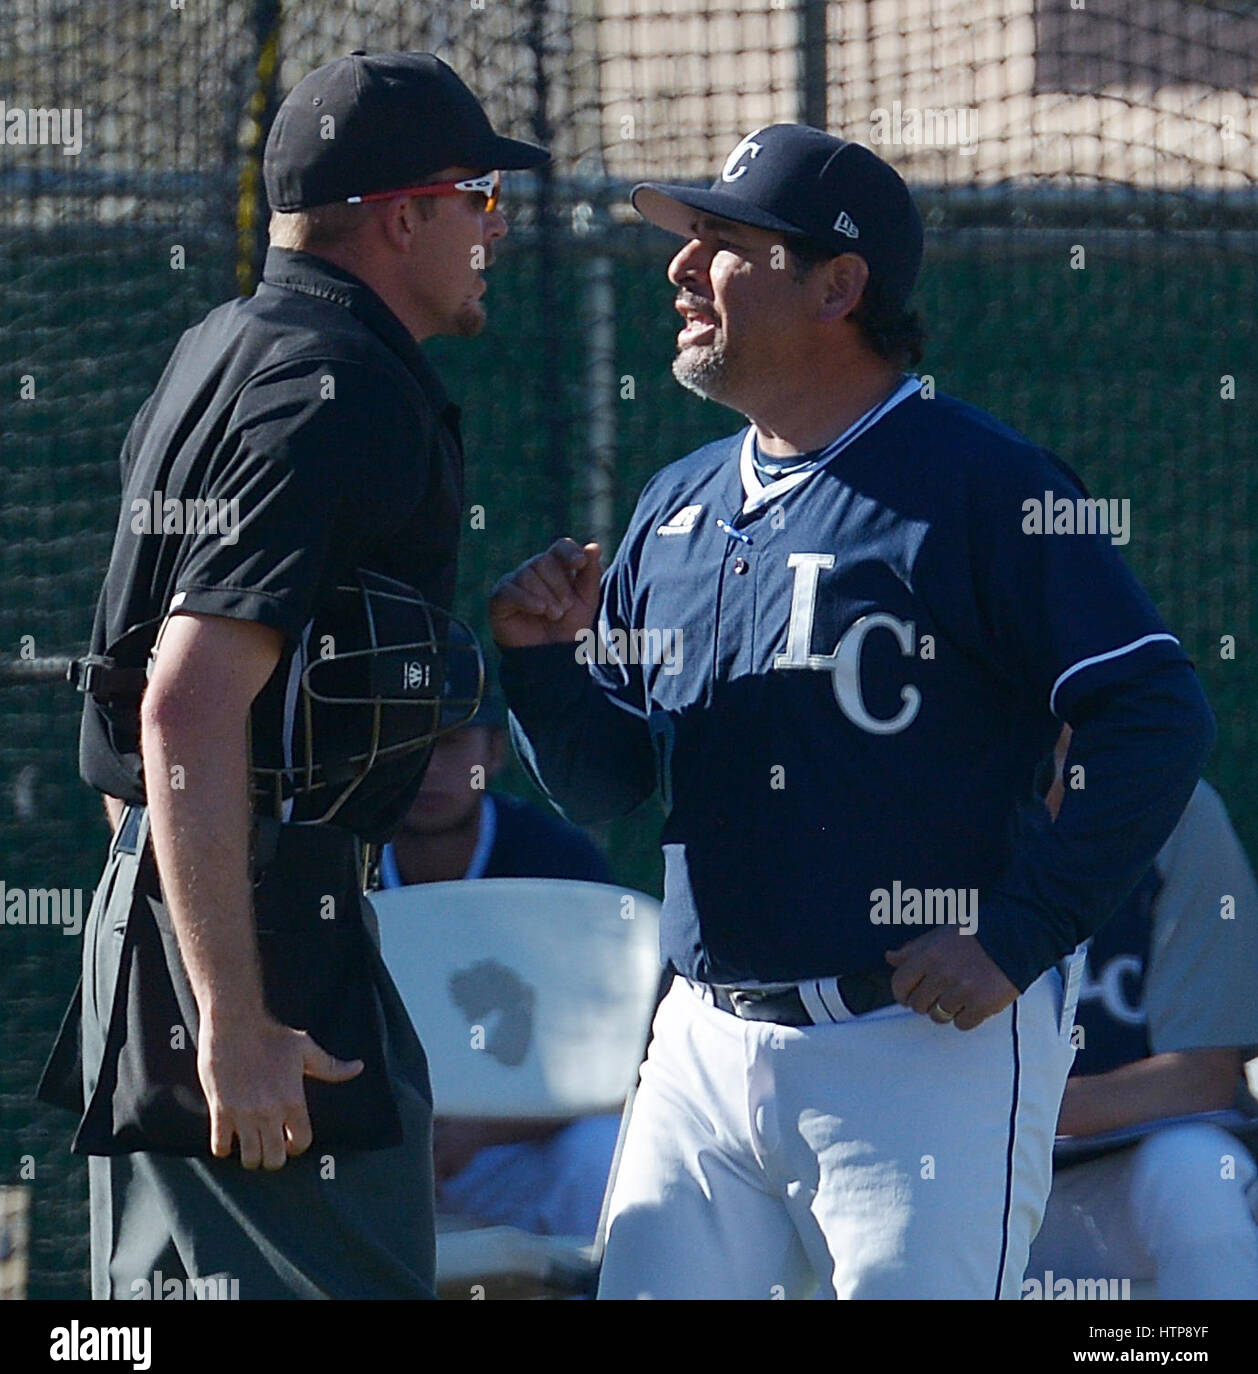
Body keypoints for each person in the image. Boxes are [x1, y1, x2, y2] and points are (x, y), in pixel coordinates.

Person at [488, 124, 1215, 1299]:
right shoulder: (674, 503)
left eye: (722, 243)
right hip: (703, 1042)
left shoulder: (985, 483)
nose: (679, 269)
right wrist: (537, 667)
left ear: (838, 284)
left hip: (918, 1047)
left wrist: (1015, 936)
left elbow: (1158, 716)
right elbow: (611, 782)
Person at [38, 51, 547, 1300]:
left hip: (175, 899)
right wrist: (231, 1012)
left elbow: (128, 705)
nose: (497, 227)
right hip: (257, 934)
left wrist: (165, 927)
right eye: (478, 197)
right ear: (401, 214)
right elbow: (183, 700)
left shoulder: (219, 346)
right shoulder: (342, 389)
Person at [379, 690, 621, 1240]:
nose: (431, 768)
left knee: (600, 1157)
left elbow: (614, 1055)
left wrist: (485, 1128)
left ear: (495, 751)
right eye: (409, 744)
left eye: (451, 742)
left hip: (513, 1148)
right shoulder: (340, 865)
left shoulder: (557, 865)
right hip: (382, 1149)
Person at [1026, 739, 1258, 1299]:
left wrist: (1009, 1108)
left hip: (1119, 1185)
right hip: (971, 1188)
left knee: (1198, 1175)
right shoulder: (924, 825)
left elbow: (1201, 1077)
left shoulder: (1172, 808)